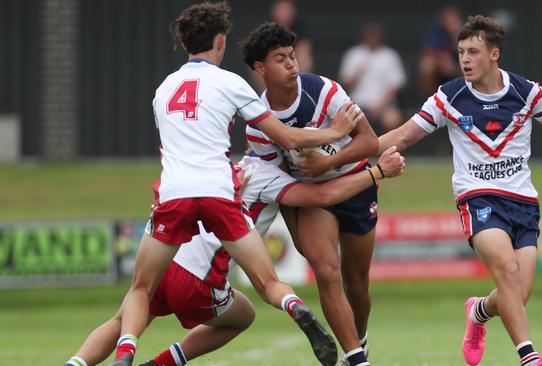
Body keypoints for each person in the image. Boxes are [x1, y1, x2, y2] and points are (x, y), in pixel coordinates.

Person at [106, 3, 363, 366]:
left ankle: (124, 354)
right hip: (217, 194)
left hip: (175, 195)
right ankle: (293, 304)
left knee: (138, 291)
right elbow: (287, 139)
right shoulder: (232, 87)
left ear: (183, 43)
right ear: (221, 41)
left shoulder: (163, 89)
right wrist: (337, 135)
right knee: (267, 284)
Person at [377, 15, 542, 366]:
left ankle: (478, 312)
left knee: (518, 294)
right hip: (477, 197)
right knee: (507, 270)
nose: (465, 60)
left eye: (473, 52)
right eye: (460, 52)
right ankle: (529, 356)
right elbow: (401, 136)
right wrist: (346, 153)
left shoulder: (526, 92)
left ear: (494, 54)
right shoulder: (449, 97)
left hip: (523, 201)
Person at [64, 148, 405, 366]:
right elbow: (326, 194)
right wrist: (376, 172)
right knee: (244, 314)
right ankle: (290, 305)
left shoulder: (221, 165)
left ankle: (77, 363)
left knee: (120, 319)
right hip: (200, 279)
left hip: (166, 259)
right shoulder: (271, 174)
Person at [241, 22, 379, 366]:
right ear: (260, 68)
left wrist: (325, 163)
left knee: (357, 283)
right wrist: (299, 231)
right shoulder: (258, 125)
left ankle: (358, 341)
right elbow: (279, 183)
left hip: (355, 185)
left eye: (292, 56)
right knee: (327, 271)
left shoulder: (325, 91)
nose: (291, 64)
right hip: (312, 196)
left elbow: (370, 142)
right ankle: (357, 359)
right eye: (280, 59)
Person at [339, 22, 407, 133]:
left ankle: (389, 149)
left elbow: (395, 86)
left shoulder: (390, 55)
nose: (372, 38)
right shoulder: (354, 54)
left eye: (375, 35)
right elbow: (345, 84)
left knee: (393, 119)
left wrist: (379, 106)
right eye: (369, 35)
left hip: (384, 106)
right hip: (357, 103)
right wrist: (358, 73)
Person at [418, 5, 463, 97]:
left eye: (453, 20)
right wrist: (442, 59)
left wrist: (455, 34)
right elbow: (428, 50)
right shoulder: (437, 31)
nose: (451, 22)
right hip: (442, 66)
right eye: (447, 20)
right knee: (427, 64)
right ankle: (431, 97)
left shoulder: (465, 31)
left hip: (461, 64)